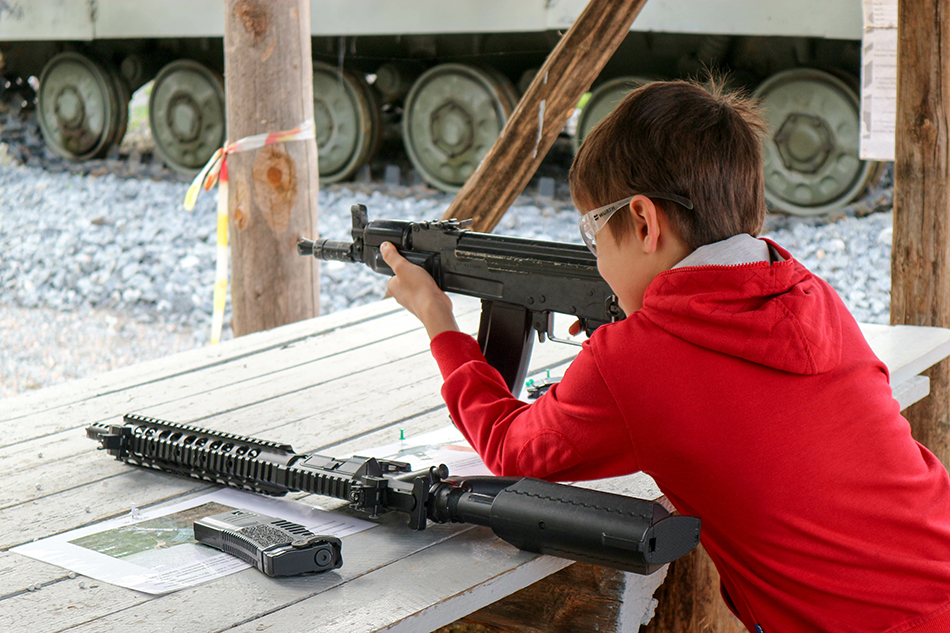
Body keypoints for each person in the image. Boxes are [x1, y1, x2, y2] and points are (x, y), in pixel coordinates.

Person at [378, 79, 950, 632]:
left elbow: (510, 447)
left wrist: (439, 320)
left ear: (644, 221)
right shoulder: (812, 293)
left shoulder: (636, 358)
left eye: (592, 233)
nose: (597, 258)